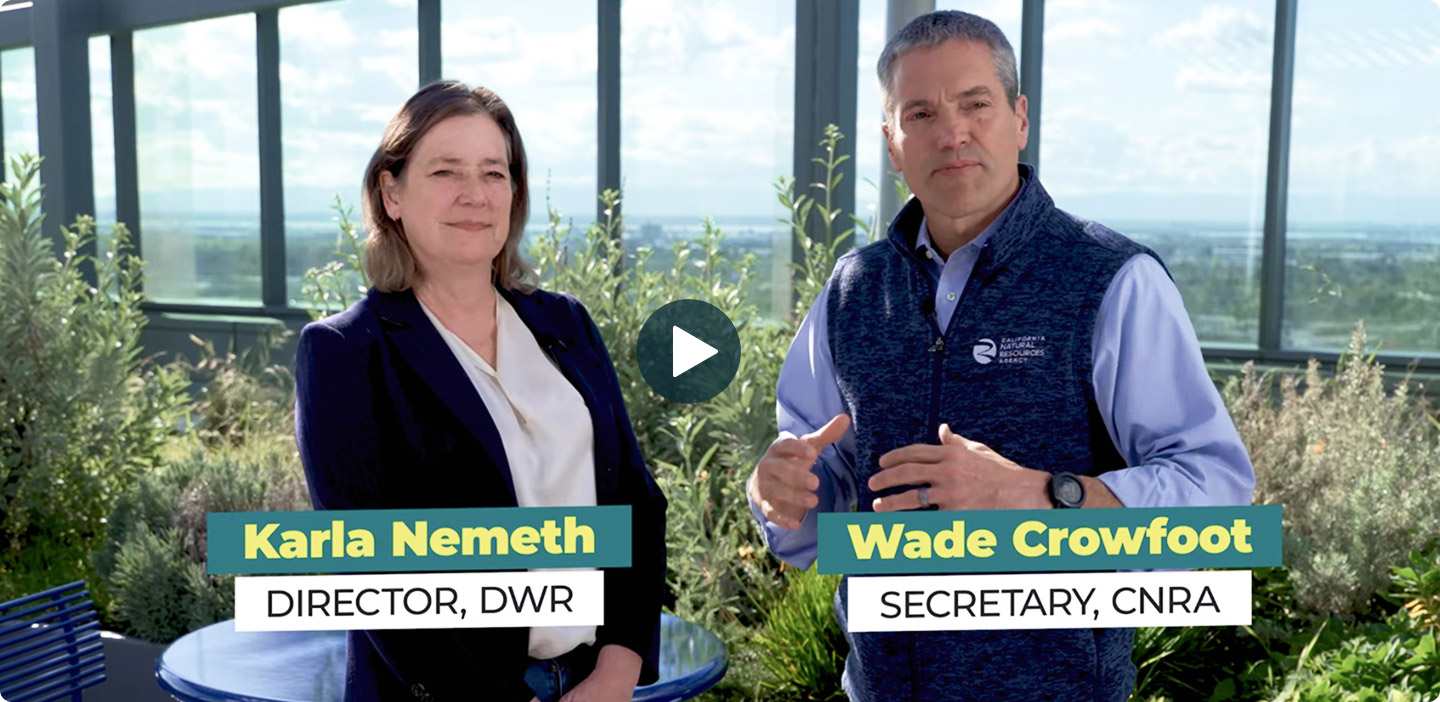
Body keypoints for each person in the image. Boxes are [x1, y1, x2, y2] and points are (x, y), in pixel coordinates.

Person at [746, 10, 1255, 702]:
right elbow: (819, 510)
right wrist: (778, 496)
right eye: (920, 113)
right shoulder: (852, 292)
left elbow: (1216, 498)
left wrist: (1042, 497)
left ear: (1019, 119)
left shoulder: (1110, 280)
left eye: (974, 104)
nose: (951, 131)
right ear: (893, 145)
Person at [295, 81, 666, 702]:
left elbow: (634, 499)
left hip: (593, 683)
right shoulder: (347, 352)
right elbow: (374, 573)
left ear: (514, 192)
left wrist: (618, 668)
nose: (475, 195)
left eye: (494, 173)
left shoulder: (566, 323)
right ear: (391, 192)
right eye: (445, 171)